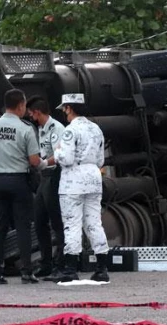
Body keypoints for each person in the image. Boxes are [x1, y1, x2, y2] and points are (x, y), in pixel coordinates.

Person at [0, 89, 44, 285]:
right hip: (19, 182)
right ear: (21, 105)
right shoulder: (25, 129)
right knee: (22, 226)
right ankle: (26, 272)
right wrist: (44, 163)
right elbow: (33, 161)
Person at [52, 93, 109, 283]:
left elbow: (66, 159)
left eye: (65, 110)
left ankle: (70, 269)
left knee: (72, 223)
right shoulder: (96, 129)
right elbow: (101, 159)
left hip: (73, 181)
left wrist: (57, 151)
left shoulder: (69, 131)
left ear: (69, 108)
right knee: (94, 222)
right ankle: (102, 268)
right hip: (93, 177)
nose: (64, 114)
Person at [26, 96, 66, 280]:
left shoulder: (56, 128)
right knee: (40, 220)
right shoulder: (41, 129)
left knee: (57, 221)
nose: (30, 117)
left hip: (54, 175)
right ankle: (46, 263)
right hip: (44, 177)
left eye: (31, 113)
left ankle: (61, 263)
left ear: (37, 112)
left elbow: (58, 155)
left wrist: (42, 163)